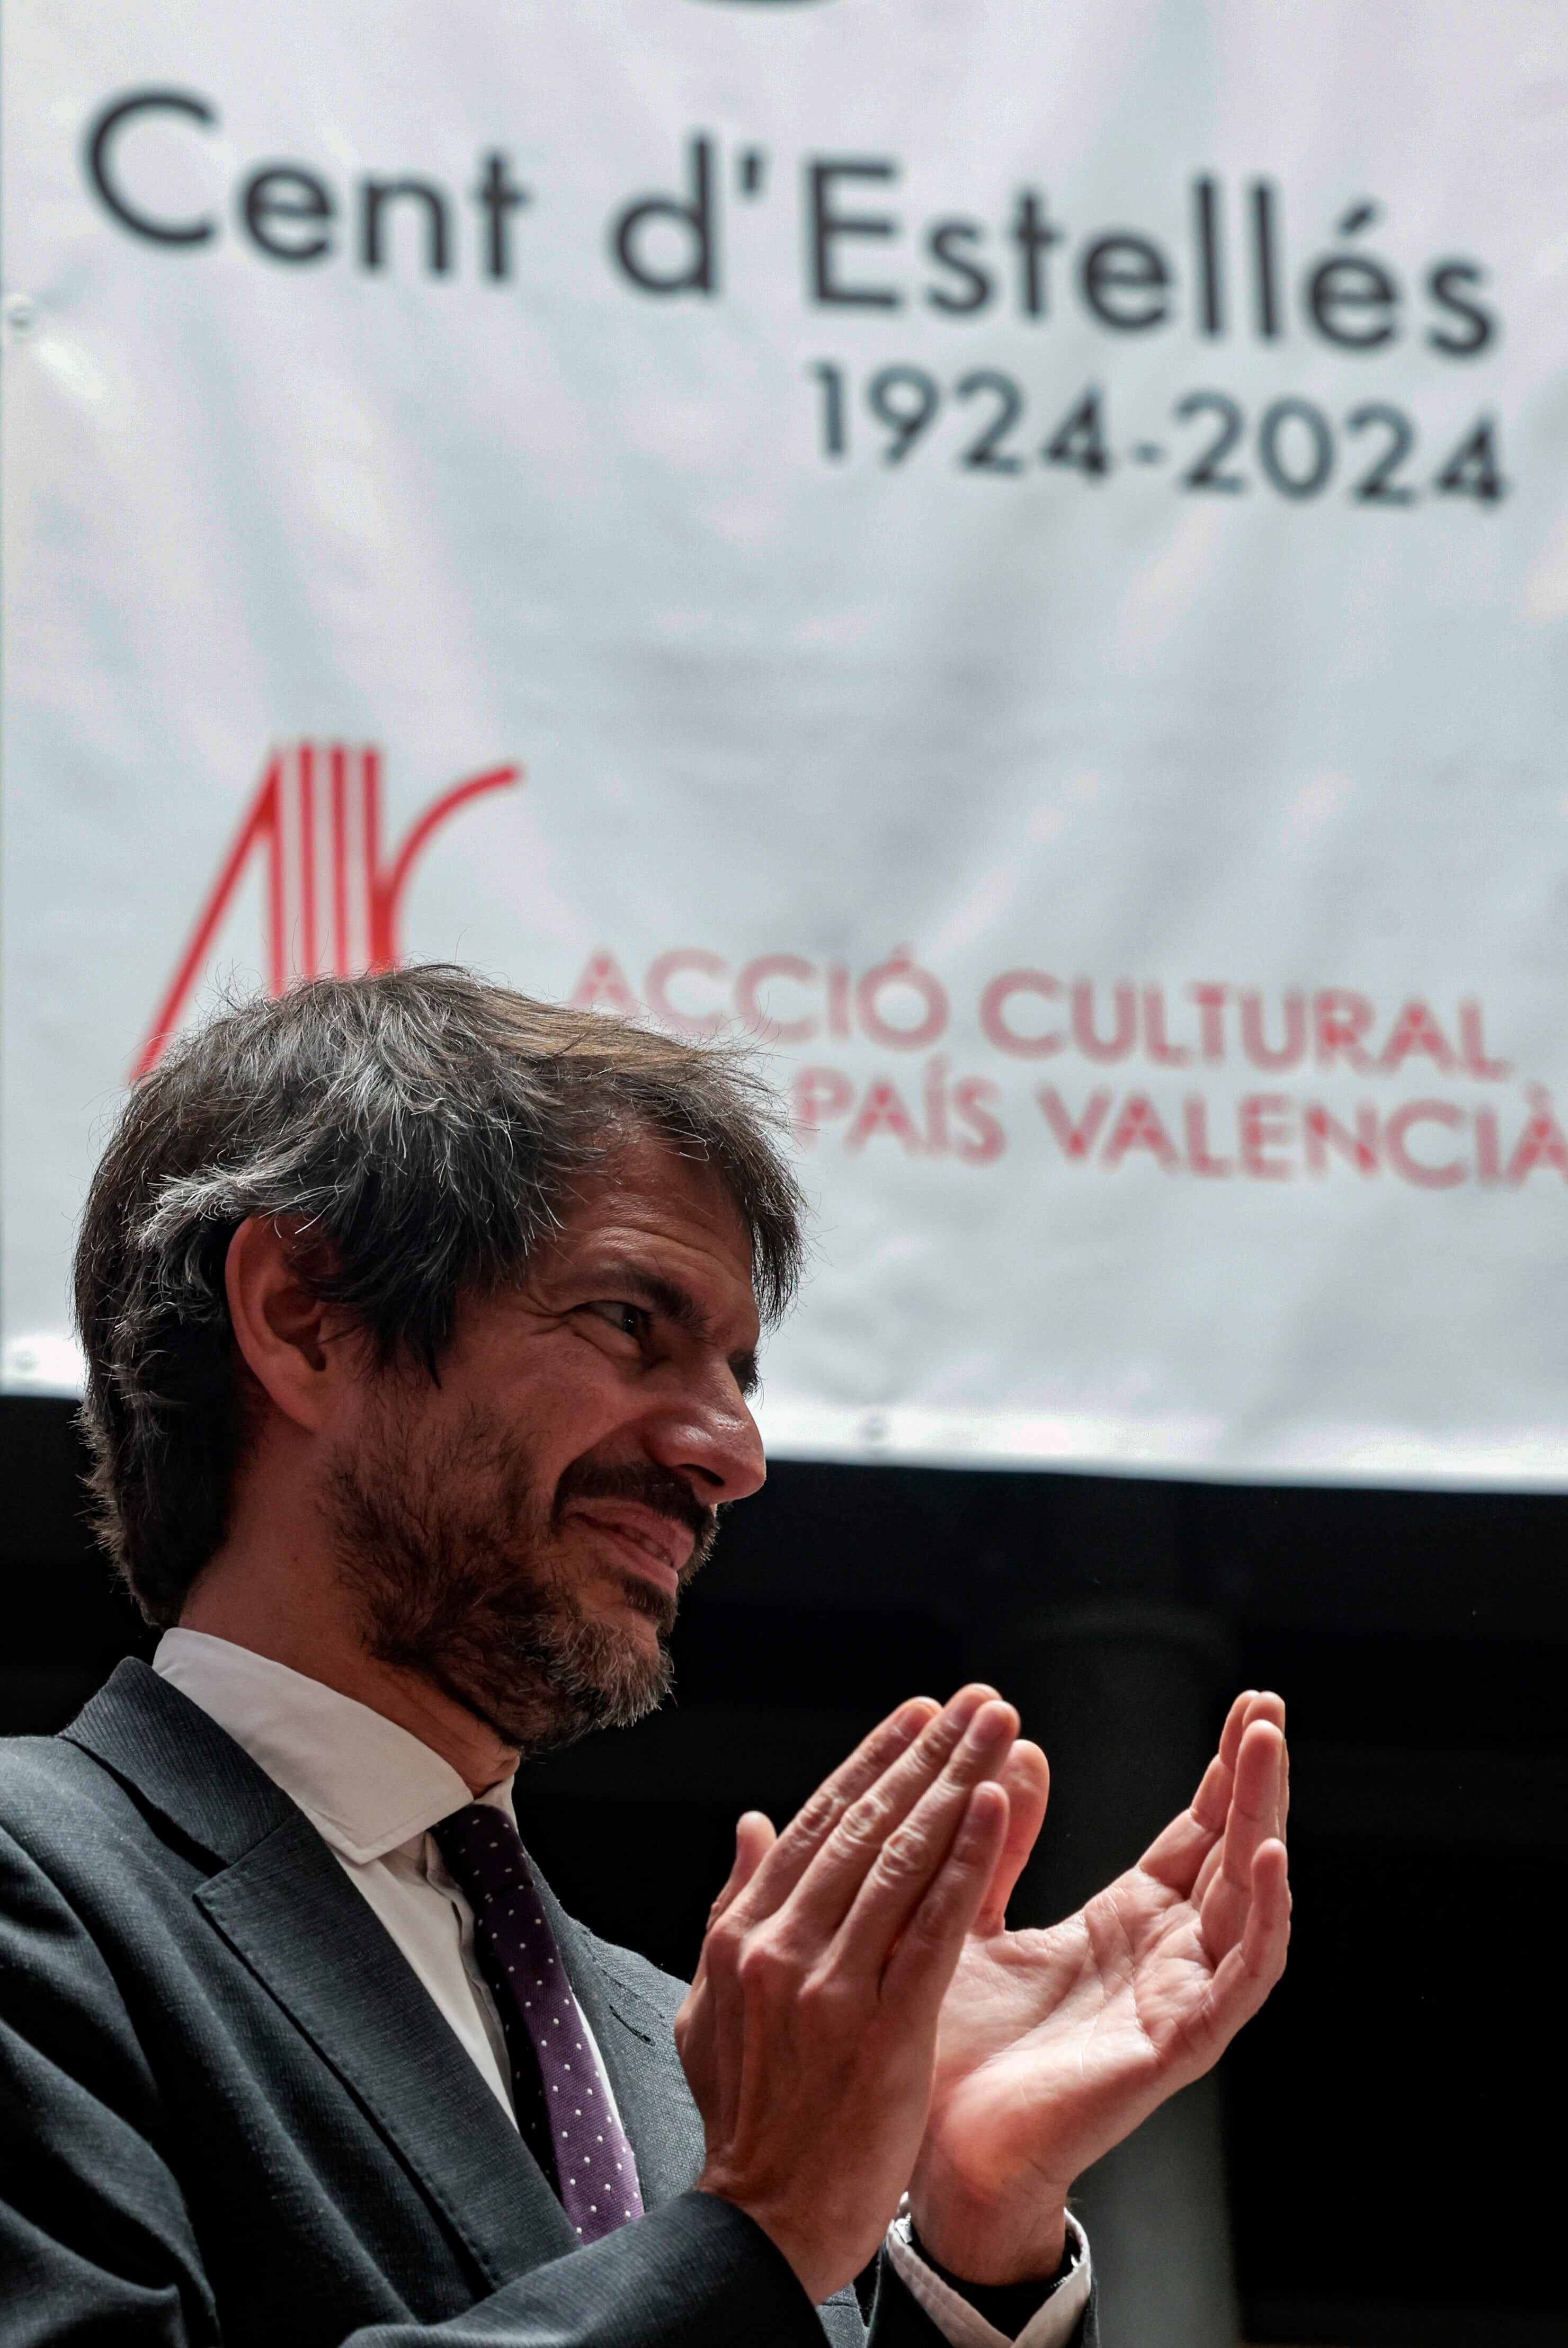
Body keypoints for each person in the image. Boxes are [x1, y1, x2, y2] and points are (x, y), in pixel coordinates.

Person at [0, 968, 1290, 2348]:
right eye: (631, 1323)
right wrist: (756, 2230)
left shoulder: (682, 2050)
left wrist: (975, 2239)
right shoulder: (47, 1888)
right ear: (306, 1314)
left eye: (740, 1370)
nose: (733, 1456)